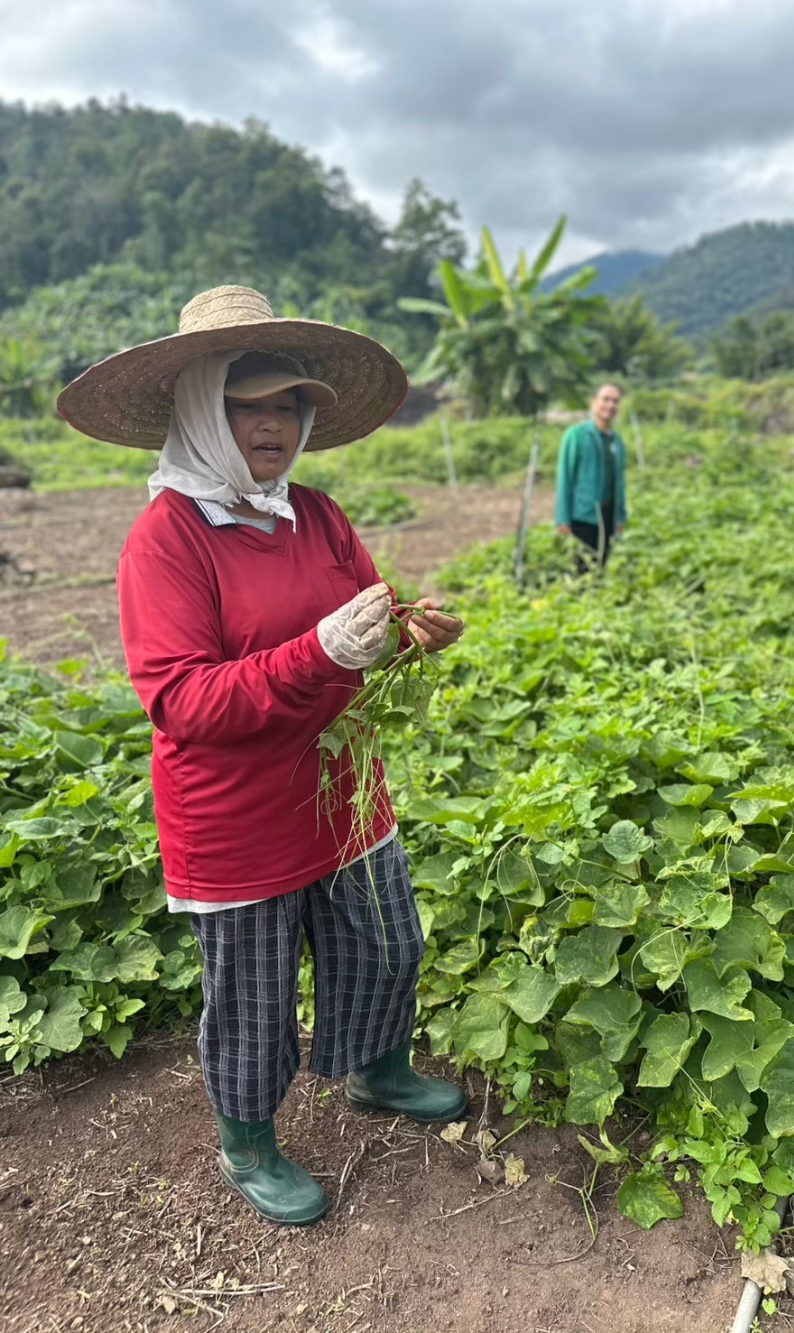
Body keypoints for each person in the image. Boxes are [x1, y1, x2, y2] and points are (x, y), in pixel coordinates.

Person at [56, 285, 468, 1228]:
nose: (273, 424)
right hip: (235, 818)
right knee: (253, 997)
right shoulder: (167, 539)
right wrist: (320, 652)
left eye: (288, 405)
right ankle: (247, 1140)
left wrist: (404, 632)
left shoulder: (315, 515)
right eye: (249, 405)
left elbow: (365, 615)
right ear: (203, 408)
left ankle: (379, 1069)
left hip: (342, 792)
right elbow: (183, 700)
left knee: (389, 942)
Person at [555, 383, 627, 568]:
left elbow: (619, 482)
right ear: (593, 403)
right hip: (583, 515)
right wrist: (562, 519)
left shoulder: (616, 441)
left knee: (602, 565)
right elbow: (565, 479)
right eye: (606, 399)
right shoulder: (576, 435)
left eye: (615, 401)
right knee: (582, 568)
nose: (610, 405)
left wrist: (620, 516)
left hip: (608, 514)